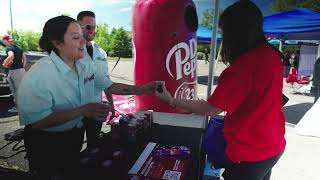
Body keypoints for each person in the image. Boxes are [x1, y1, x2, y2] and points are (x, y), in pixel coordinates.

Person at [156, 1, 285, 180]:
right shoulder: (272, 55)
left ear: (235, 33)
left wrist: (171, 100)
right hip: (273, 145)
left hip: (249, 152)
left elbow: (211, 109)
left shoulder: (242, 67)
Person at [18, 15, 158, 180]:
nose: (83, 41)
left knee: (71, 171)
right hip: (46, 142)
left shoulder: (84, 63)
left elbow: (109, 85)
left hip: (74, 134)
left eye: (82, 36)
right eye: (76, 37)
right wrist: (83, 111)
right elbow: (38, 122)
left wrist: (143, 88)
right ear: (57, 43)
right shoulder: (39, 75)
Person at [77, 11, 157, 150]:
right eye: (89, 27)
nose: (93, 31)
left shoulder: (100, 52)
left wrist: (112, 105)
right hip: (75, 110)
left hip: (97, 109)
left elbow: (106, 81)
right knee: (74, 149)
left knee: (94, 146)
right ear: (78, 26)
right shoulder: (72, 50)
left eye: (95, 27)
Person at [1, 35, 27, 113]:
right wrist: (23, 66)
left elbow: (11, 56)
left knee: (15, 91)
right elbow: (24, 58)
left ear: (4, 41)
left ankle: (18, 108)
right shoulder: (18, 47)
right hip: (22, 71)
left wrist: (5, 64)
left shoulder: (9, 48)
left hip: (14, 72)